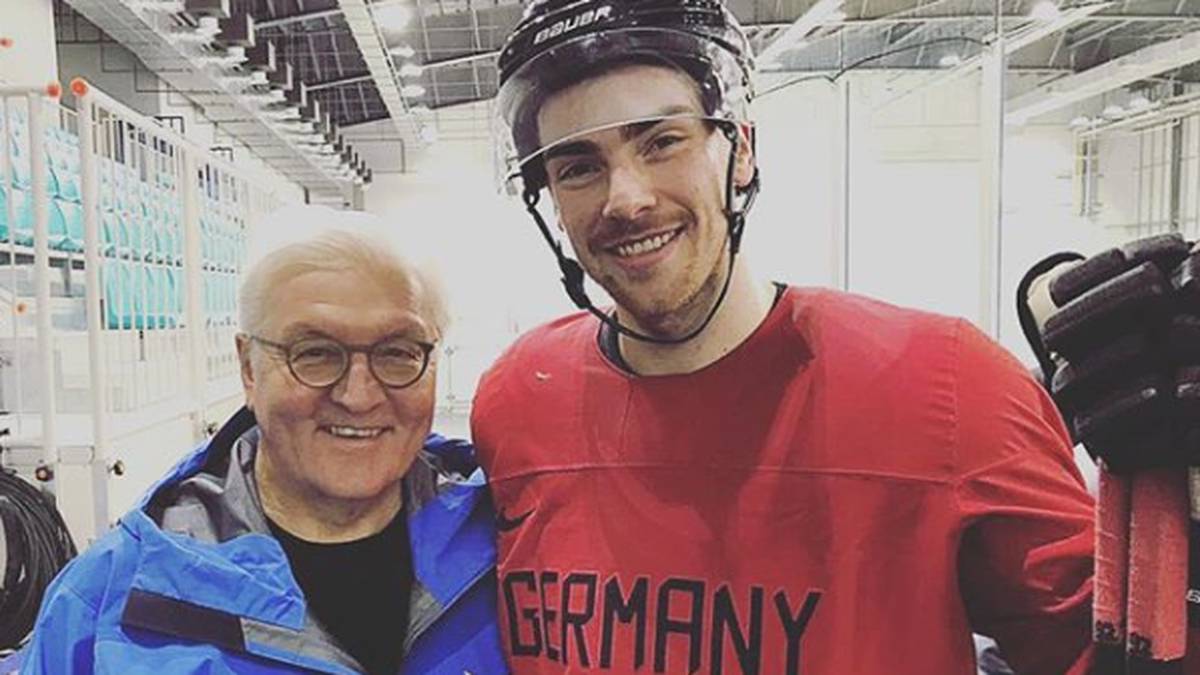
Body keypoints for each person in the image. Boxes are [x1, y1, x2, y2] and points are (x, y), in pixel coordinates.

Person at [470, 0, 1097, 672]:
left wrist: (1183, 509)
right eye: (578, 166)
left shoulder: (946, 386)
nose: (627, 199)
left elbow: (1111, 644)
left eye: (662, 141)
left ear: (741, 150)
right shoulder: (515, 399)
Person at [20, 206, 505, 674]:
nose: (359, 396)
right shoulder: (109, 605)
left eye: (398, 352)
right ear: (248, 367)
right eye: (314, 353)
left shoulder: (515, 551)